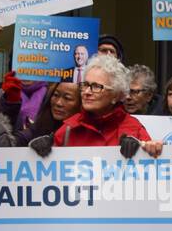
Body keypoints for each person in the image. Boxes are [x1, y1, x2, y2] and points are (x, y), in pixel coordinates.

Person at [30, 53, 159, 155]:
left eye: (96, 87)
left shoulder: (134, 128)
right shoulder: (69, 128)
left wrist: (152, 149)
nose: (86, 92)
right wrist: (36, 153)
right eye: (85, 85)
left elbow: (153, 165)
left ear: (116, 95)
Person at [15, 80, 80, 146]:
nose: (58, 103)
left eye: (67, 98)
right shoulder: (40, 125)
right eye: (56, 95)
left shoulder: (84, 134)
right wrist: (10, 104)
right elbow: (14, 142)